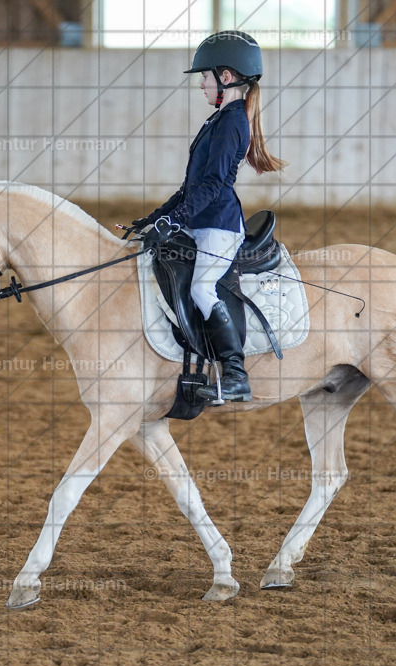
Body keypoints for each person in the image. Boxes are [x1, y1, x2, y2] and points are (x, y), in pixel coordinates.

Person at [132, 30, 286, 402]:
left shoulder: (233, 122)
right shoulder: (220, 119)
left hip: (218, 225)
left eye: (205, 76)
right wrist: (155, 218)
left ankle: (235, 374)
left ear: (226, 78)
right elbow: (190, 188)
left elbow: (212, 186)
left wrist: (174, 221)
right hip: (202, 219)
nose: (201, 84)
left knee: (202, 287)